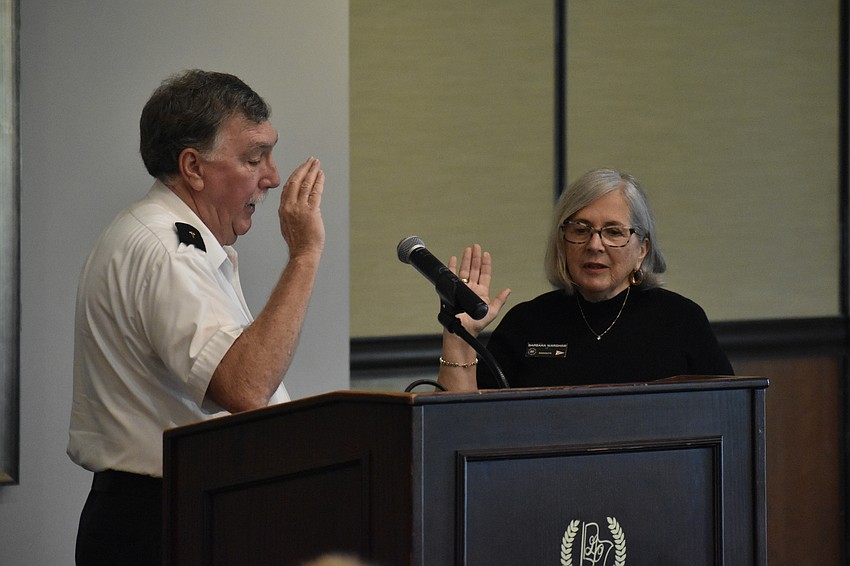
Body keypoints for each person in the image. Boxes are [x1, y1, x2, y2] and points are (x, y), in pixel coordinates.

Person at [68, 69, 326, 565]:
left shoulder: (165, 235)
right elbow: (246, 388)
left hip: (178, 509)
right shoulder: (168, 249)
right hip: (162, 522)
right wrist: (304, 256)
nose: (272, 176)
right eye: (254, 158)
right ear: (193, 167)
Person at [437, 168, 733, 391]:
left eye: (614, 232)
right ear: (562, 241)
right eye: (580, 229)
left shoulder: (681, 321)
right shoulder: (527, 323)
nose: (595, 245)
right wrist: (458, 338)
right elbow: (463, 426)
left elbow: (729, 415)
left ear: (642, 249)